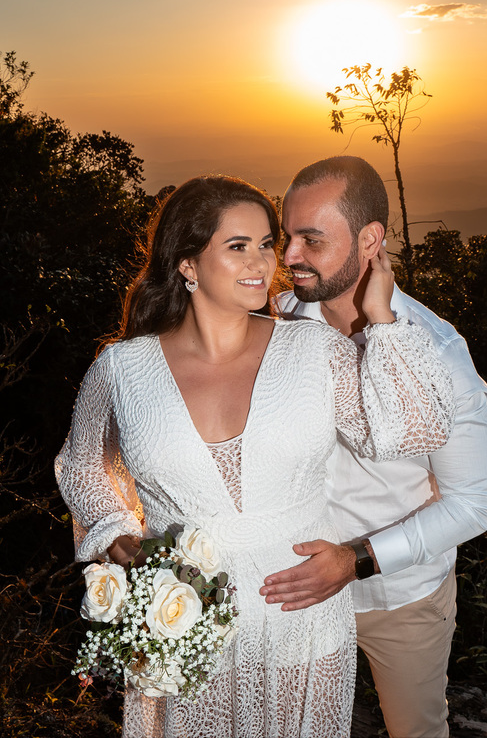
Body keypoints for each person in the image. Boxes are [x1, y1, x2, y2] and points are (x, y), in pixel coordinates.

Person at [53, 174, 454, 738]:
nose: (263, 263)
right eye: (238, 246)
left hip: (301, 617)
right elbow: (82, 465)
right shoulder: (121, 370)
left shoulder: (313, 349)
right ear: (187, 264)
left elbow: (410, 432)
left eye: (267, 244)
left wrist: (381, 317)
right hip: (183, 625)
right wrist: (118, 532)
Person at [260, 156, 487, 738]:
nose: (289, 258)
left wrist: (356, 560)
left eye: (311, 240)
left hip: (402, 599)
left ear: (370, 240)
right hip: (292, 588)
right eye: (286, 236)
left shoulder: (438, 353)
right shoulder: (277, 319)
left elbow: (475, 503)